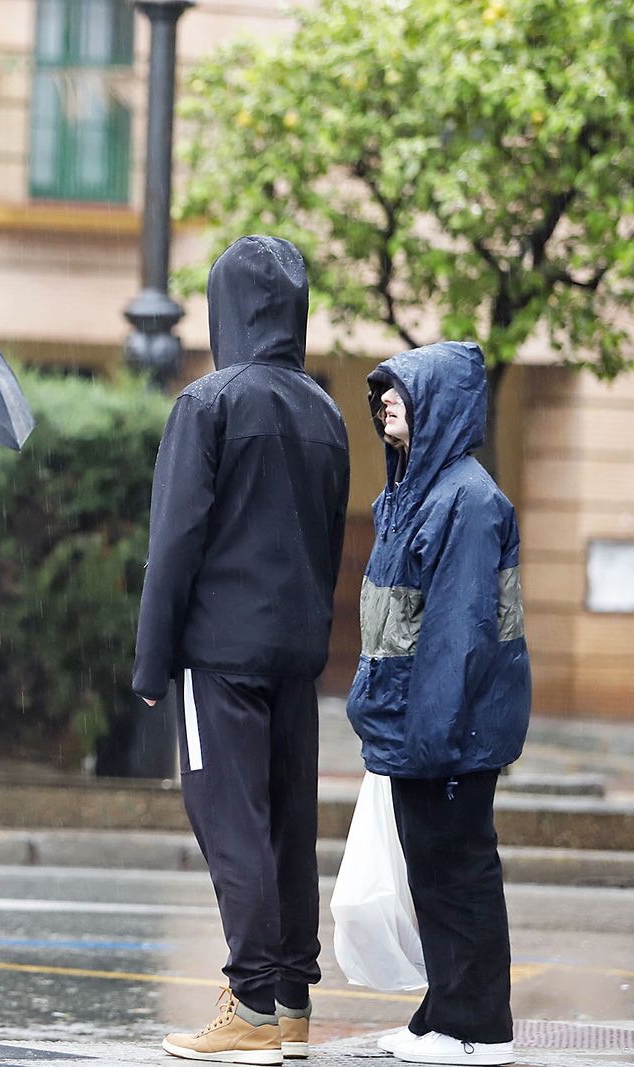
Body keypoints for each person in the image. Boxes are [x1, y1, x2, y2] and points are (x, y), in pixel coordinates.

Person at [133, 235, 351, 1063]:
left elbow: (176, 541)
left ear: (227, 307)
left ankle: (251, 1003)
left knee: (231, 821)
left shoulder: (209, 402)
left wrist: (152, 660)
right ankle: (291, 1000)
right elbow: (329, 540)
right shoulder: (324, 411)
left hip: (220, 650)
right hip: (297, 652)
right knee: (289, 820)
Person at [348, 342, 529, 1067]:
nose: (386, 399)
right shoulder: (417, 494)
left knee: (458, 870)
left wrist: (429, 737)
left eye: (401, 391)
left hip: (449, 729)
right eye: (384, 390)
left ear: (441, 407)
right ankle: (442, 1013)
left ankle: (480, 1028)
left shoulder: (468, 499)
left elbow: (458, 635)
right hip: (419, 726)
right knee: (434, 871)